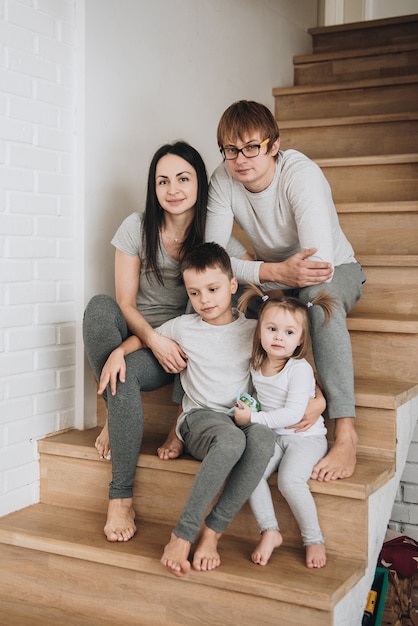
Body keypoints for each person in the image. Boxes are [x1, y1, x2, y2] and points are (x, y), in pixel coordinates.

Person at [83, 141, 248, 542]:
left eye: (183, 178)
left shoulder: (214, 235)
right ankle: (117, 433)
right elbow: (125, 302)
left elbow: (242, 278)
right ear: (153, 188)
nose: (173, 189)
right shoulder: (136, 227)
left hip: (178, 343)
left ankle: (119, 492)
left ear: (199, 183)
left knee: (127, 377)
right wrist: (150, 340)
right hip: (139, 329)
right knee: (99, 308)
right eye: (163, 181)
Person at [206, 100, 366, 482]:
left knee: (316, 300)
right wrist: (269, 273)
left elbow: (317, 265)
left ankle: (344, 430)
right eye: (231, 150)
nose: (241, 159)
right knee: (214, 295)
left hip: (333, 270)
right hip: (277, 275)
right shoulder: (224, 178)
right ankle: (201, 414)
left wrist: (267, 277)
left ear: (273, 145)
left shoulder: (300, 174)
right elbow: (212, 259)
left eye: (251, 147)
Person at [155, 242, 278, 577]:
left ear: (232, 286)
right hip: (199, 421)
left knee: (264, 439)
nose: (205, 300)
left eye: (212, 289)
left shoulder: (254, 330)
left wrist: (318, 400)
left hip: (240, 417)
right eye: (195, 293)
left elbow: (293, 363)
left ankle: (212, 533)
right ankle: (182, 534)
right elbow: (146, 339)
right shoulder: (183, 326)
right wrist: (121, 352)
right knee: (231, 441)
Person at [234, 286, 335, 569]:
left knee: (290, 481)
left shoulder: (298, 369)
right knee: (249, 474)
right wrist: (250, 407)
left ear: (301, 339)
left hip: (306, 438)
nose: (279, 337)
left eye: (289, 333)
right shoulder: (257, 364)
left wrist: (252, 420)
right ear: (260, 331)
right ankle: (270, 530)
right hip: (274, 437)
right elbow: (263, 401)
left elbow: (292, 414)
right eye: (272, 329)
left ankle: (313, 538)